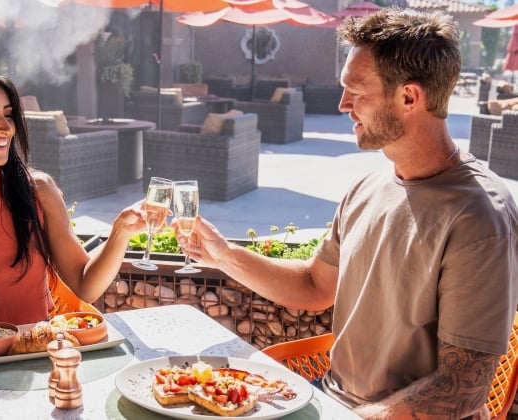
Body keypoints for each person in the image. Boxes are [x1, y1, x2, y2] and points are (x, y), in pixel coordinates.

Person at [178, 8, 518, 419]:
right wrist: (224, 256)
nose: (342, 105)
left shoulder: (480, 216)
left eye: (356, 92)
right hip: (332, 398)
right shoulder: (367, 188)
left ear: (409, 97)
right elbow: (314, 287)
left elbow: (462, 390)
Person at [0, 70, 146, 336]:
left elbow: (85, 284)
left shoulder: (38, 191)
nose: (7, 127)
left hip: (38, 358)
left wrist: (121, 231)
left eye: (8, 114)